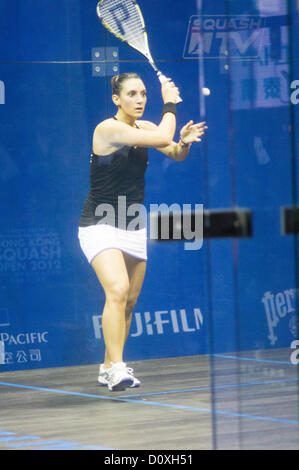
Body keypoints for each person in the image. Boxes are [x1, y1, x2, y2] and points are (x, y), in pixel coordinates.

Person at [78, 72, 207, 391]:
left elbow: (174, 151)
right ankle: (118, 368)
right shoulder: (107, 130)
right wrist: (170, 104)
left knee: (130, 301)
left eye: (144, 94)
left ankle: (108, 365)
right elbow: (164, 136)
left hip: (132, 224)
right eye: (132, 94)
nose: (139, 100)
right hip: (99, 223)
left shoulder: (146, 127)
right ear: (116, 99)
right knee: (117, 290)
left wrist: (185, 144)